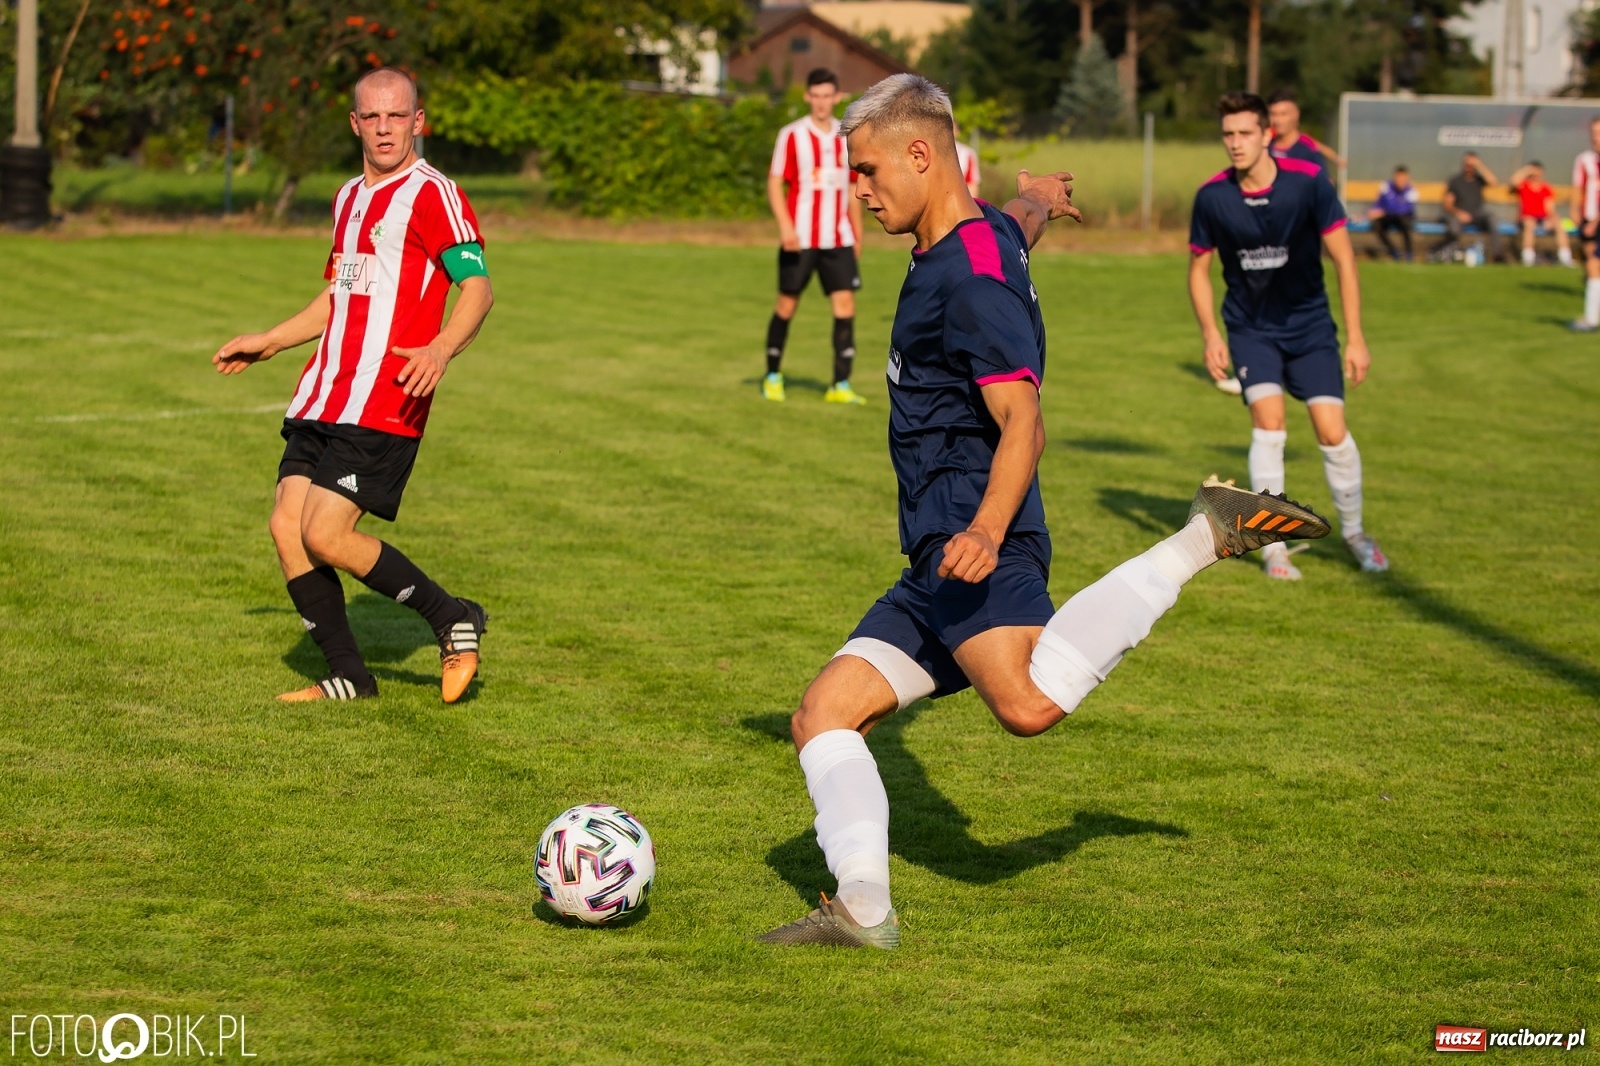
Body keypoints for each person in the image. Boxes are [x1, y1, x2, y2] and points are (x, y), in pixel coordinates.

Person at [756, 74, 1331, 950]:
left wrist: (987, 531)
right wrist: (1037, 199)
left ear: (922, 155)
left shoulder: (972, 281)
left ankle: (1205, 535)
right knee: (822, 714)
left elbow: (1023, 419)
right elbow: (1012, 224)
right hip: (935, 548)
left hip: (974, 531)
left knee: (1025, 705)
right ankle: (864, 912)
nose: (857, 189)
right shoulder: (984, 230)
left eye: (868, 170)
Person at [211, 68, 494, 703]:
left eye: (397, 116)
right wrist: (271, 340)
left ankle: (451, 617)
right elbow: (342, 294)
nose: (385, 128)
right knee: (287, 527)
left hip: (386, 396)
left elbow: (478, 289)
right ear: (355, 124)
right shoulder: (348, 198)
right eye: (372, 117)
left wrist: (441, 348)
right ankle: (350, 676)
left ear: (418, 121)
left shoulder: (434, 194)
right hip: (325, 393)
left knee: (326, 534)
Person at [1187, 91, 1389, 581]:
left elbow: (1344, 259)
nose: (1235, 143)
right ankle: (1273, 546)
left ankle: (1356, 534)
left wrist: (1356, 337)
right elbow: (1198, 270)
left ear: (1267, 135)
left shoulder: (1309, 181)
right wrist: (1211, 334)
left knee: (1332, 433)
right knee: (1269, 424)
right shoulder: (1212, 196)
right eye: (1228, 134)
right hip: (1251, 329)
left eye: (1245, 133)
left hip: (1310, 326)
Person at [764, 68, 867, 405]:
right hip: (800, 237)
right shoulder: (791, 135)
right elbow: (775, 183)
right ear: (808, 97)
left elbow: (852, 188)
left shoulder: (846, 136)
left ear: (836, 97)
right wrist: (785, 228)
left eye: (827, 96)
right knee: (786, 304)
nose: (822, 102)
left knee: (845, 304)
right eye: (816, 96)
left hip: (838, 238)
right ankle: (773, 375)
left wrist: (857, 233)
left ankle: (840, 384)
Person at [1436, 152, 1501, 263]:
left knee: (1492, 218)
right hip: (1460, 214)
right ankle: (1454, 254)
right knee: (1453, 225)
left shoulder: (1479, 180)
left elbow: (1493, 182)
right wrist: (1458, 213)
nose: (1469, 167)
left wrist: (1479, 165)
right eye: (1467, 163)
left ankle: (1497, 255)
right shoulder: (1455, 181)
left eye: (1472, 164)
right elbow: (1447, 204)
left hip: (1477, 214)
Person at [1267, 87, 1342, 182]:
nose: (1278, 120)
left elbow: (1324, 185)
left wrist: (1336, 159)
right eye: (1273, 114)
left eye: (1283, 114)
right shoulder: (1264, 147)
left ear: (1296, 114)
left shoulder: (1308, 151)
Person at [1510, 161, 1572, 268]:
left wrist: (1551, 218)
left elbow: (1550, 208)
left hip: (1543, 219)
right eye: (1534, 172)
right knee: (1530, 224)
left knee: (1558, 223)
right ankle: (1528, 258)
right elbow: (1512, 182)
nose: (1537, 175)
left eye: (1539, 172)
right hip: (1527, 218)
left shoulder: (1546, 188)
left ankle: (1565, 257)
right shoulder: (1523, 185)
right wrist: (1526, 170)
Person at [1569, 118, 1600, 331]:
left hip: (1596, 220)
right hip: (1590, 217)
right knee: (1591, 263)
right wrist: (1574, 211)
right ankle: (1591, 317)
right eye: (1593, 132)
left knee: (1593, 265)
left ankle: (1591, 320)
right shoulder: (1585, 159)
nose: (1595, 137)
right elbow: (1577, 187)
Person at [1367, 165, 1418, 262]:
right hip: (1388, 218)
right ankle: (1393, 251)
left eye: (1403, 178)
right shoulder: (1386, 186)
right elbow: (1379, 203)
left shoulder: (1411, 191)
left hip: (1402, 218)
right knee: (1376, 225)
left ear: (1407, 178)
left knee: (1405, 222)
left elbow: (1405, 209)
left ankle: (1409, 253)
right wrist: (1373, 211)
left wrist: (1384, 211)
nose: (1400, 180)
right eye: (1398, 177)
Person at [953, 124, 981, 198]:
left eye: (952, 128)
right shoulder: (931, 151)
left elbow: (972, 184)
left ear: (957, 132)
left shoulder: (967, 153)